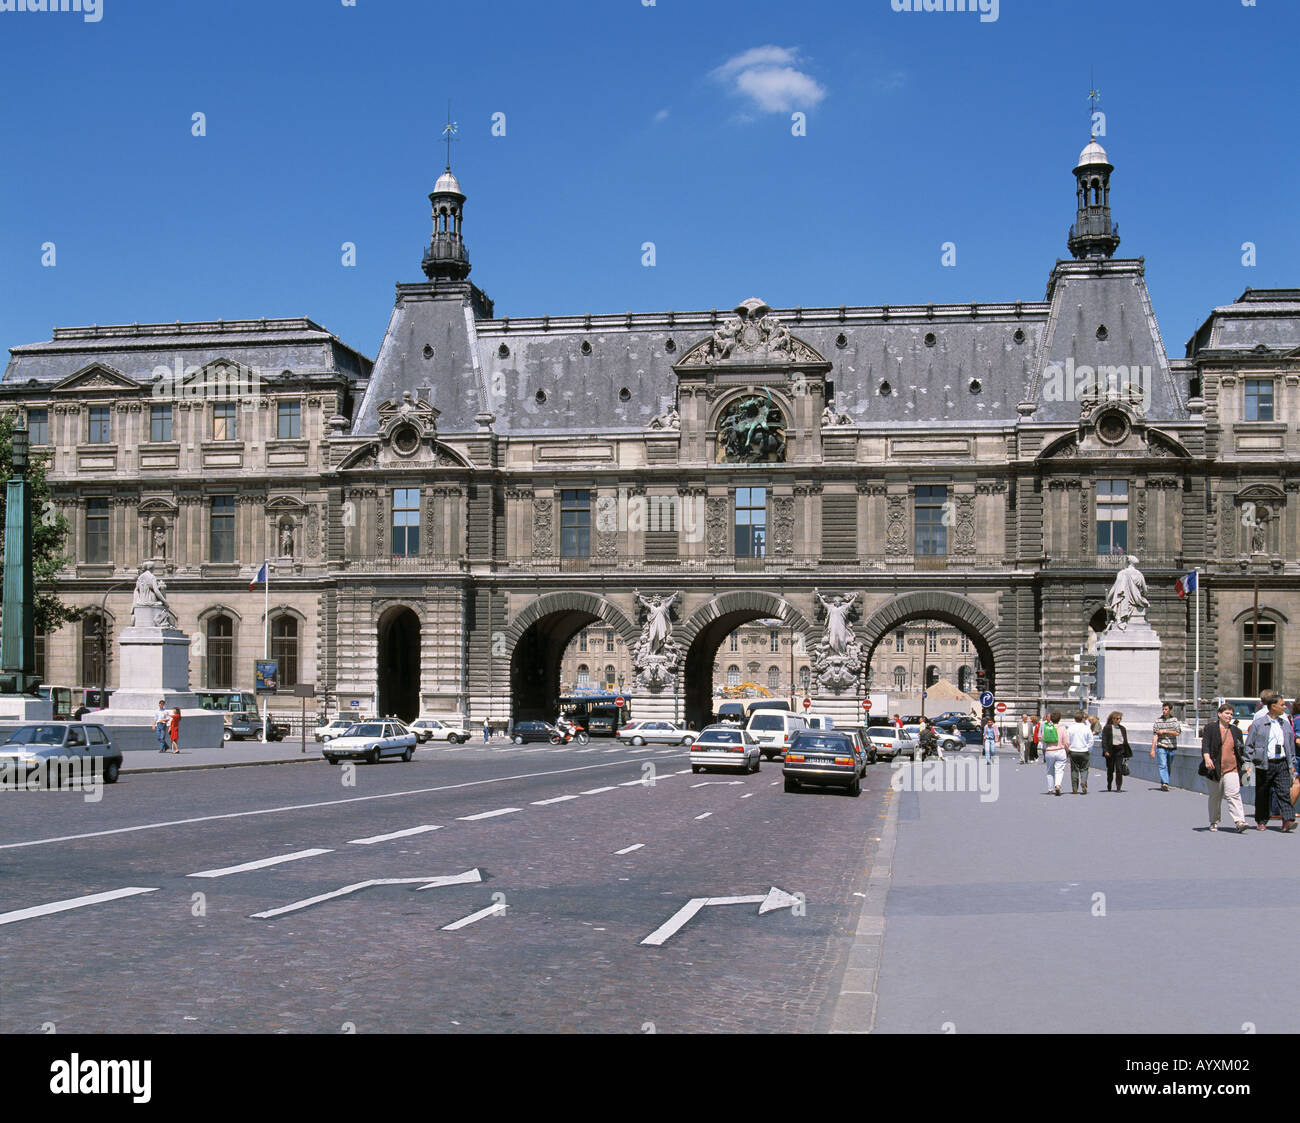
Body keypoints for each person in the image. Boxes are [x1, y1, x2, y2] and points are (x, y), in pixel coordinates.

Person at [1245, 690, 1297, 832]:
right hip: (1264, 763)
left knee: (1284, 792)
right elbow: (1249, 745)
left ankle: (1288, 820)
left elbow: (1290, 746)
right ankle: (1261, 820)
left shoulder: (1285, 724)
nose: (1285, 707)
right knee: (1263, 792)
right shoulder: (1259, 724)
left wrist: (1291, 764)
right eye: (1282, 704)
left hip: (1282, 763)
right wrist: (1247, 763)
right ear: (1273, 706)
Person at [1202, 702, 1248, 833]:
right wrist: (1207, 758)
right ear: (1219, 714)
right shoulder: (1211, 728)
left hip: (1231, 768)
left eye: (1231, 714)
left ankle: (1240, 821)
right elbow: (1205, 744)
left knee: (1233, 794)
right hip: (1214, 769)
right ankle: (1214, 821)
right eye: (1227, 713)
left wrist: (1245, 765)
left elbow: (1240, 749)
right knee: (1215, 797)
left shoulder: (1236, 731)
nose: (1229, 716)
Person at [1150, 701, 1182, 792]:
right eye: (1163, 709)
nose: (1164, 711)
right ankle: (1165, 783)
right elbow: (1155, 736)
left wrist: (1164, 732)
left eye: (1166, 709)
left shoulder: (1174, 721)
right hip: (1161, 746)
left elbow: (1177, 733)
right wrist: (1152, 749)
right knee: (1162, 765)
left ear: (1170, 710)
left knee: (1168, 765)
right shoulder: (1158, 721)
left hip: (1171, 746)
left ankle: (1164, 782)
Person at [1100, 711, 1131, 792]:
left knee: (1119, 769)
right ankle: (1109, 783)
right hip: (1110, 751)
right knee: (1110, 769)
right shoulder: (1107, 728)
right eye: (1117, 719)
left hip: (1120, 750)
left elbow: (1125, 741)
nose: (1118, 720)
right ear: (1113, 719)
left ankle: (1118, 787)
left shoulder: (1122, 728)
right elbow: (1104, 740)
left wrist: (1127, 754)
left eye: (1120, 719)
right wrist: (1105, 750)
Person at [1066, 711, 1093, 794]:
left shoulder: (1070, 728)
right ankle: (1084, 781)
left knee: (1074, 770)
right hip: (1084, 751)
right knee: (1084, 769)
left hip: (1073, 750)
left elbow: (1067, 740)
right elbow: (1091, 740)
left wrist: (1068, 750)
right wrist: (1088, 749)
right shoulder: (1087, 728)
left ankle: (1074, 789)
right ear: (1083, 719)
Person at [1041, 711, 1066, 796]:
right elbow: (1066, 742)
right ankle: (1057, 785)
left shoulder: (1047, 727)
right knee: (1059, 770)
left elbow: (1043, 739)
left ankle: (1050, 789)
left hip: (1049, 751)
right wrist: (1067, 749)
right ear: (1059, 719)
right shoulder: (1062, 728)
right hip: (1060, 750)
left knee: (1049, 770)